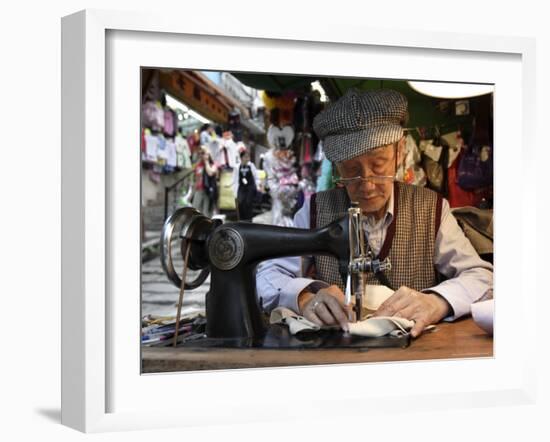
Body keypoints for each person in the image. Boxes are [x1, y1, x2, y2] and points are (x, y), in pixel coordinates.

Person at [256, 89, 493, 338]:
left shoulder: (431, 209)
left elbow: (481, 277)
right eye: (351, 170)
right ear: (336, 166)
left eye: (379, 165)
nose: (367, 185)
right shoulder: (314, 211)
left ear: (399, 153)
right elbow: (268, 275)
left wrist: (437, 302)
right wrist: (304, 297)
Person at [233, 150, 260, 221]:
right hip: (241, 188)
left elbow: (256, 177)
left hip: (250, 188)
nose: (247, 159)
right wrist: (235, 192)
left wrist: (258, 187)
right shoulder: (237, 167)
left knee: (248, 204)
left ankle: (249, 221)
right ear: (241, 158)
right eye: (245, 157)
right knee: (241, 203)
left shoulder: (251, 165)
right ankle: (242, 221)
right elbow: (235, 180)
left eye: (248, 157)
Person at [191, 146, 218, 217]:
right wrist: (191, 193)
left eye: (203, 153)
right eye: (200, 153)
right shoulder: (198, 165)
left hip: (208, 191)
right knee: (195, 211)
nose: (201, 155)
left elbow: (210, 173)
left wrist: (206, 162)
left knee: (206, 213)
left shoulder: (213, 164)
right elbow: (196, 179)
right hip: (198, 190)